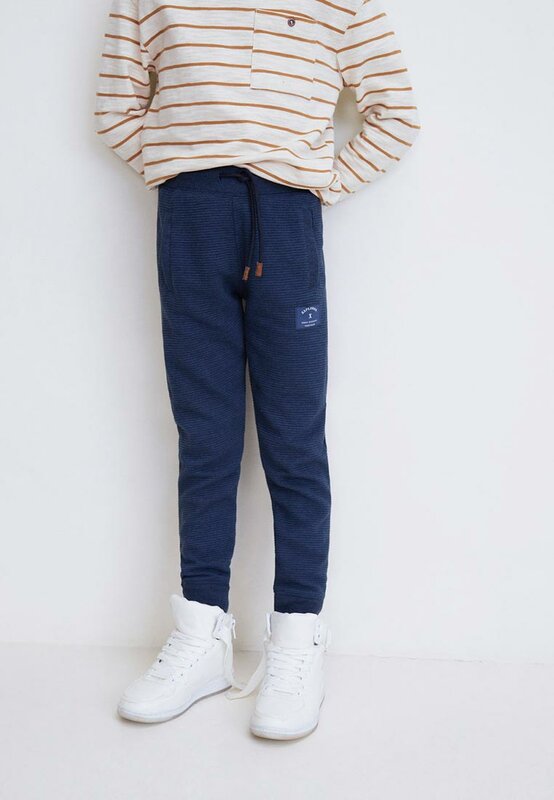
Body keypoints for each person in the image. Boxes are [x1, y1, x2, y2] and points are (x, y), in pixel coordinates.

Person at [95, 0, 419, 739]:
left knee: (294, 439)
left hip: (288, 217)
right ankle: (202, 629)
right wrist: (182, 169)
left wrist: (313, 183)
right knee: (205, 434)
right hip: (190, 214)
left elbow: (395, 113)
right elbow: (115, 107)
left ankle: (297, 636)